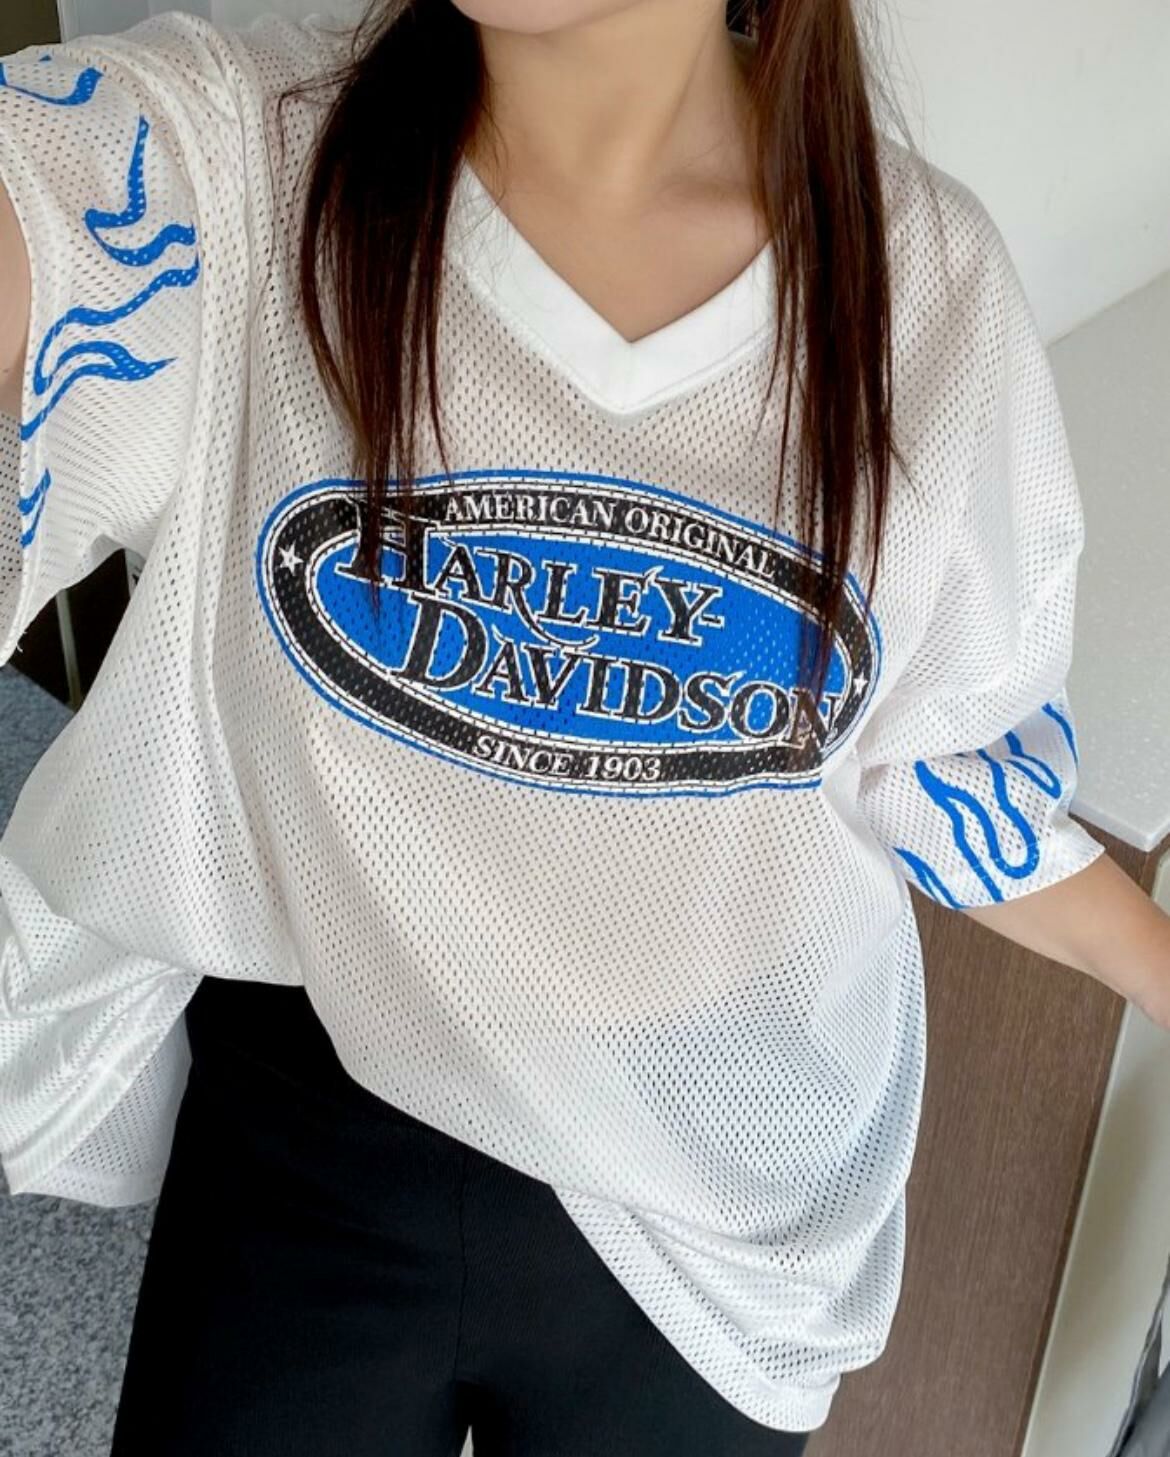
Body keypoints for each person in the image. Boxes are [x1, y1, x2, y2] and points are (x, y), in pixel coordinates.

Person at [0, 0, 1108, 1452]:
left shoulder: (922, 294)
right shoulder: (233, 163)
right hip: (323, 1101)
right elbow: (49, 207)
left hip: (709, 1174)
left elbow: (940, 764)